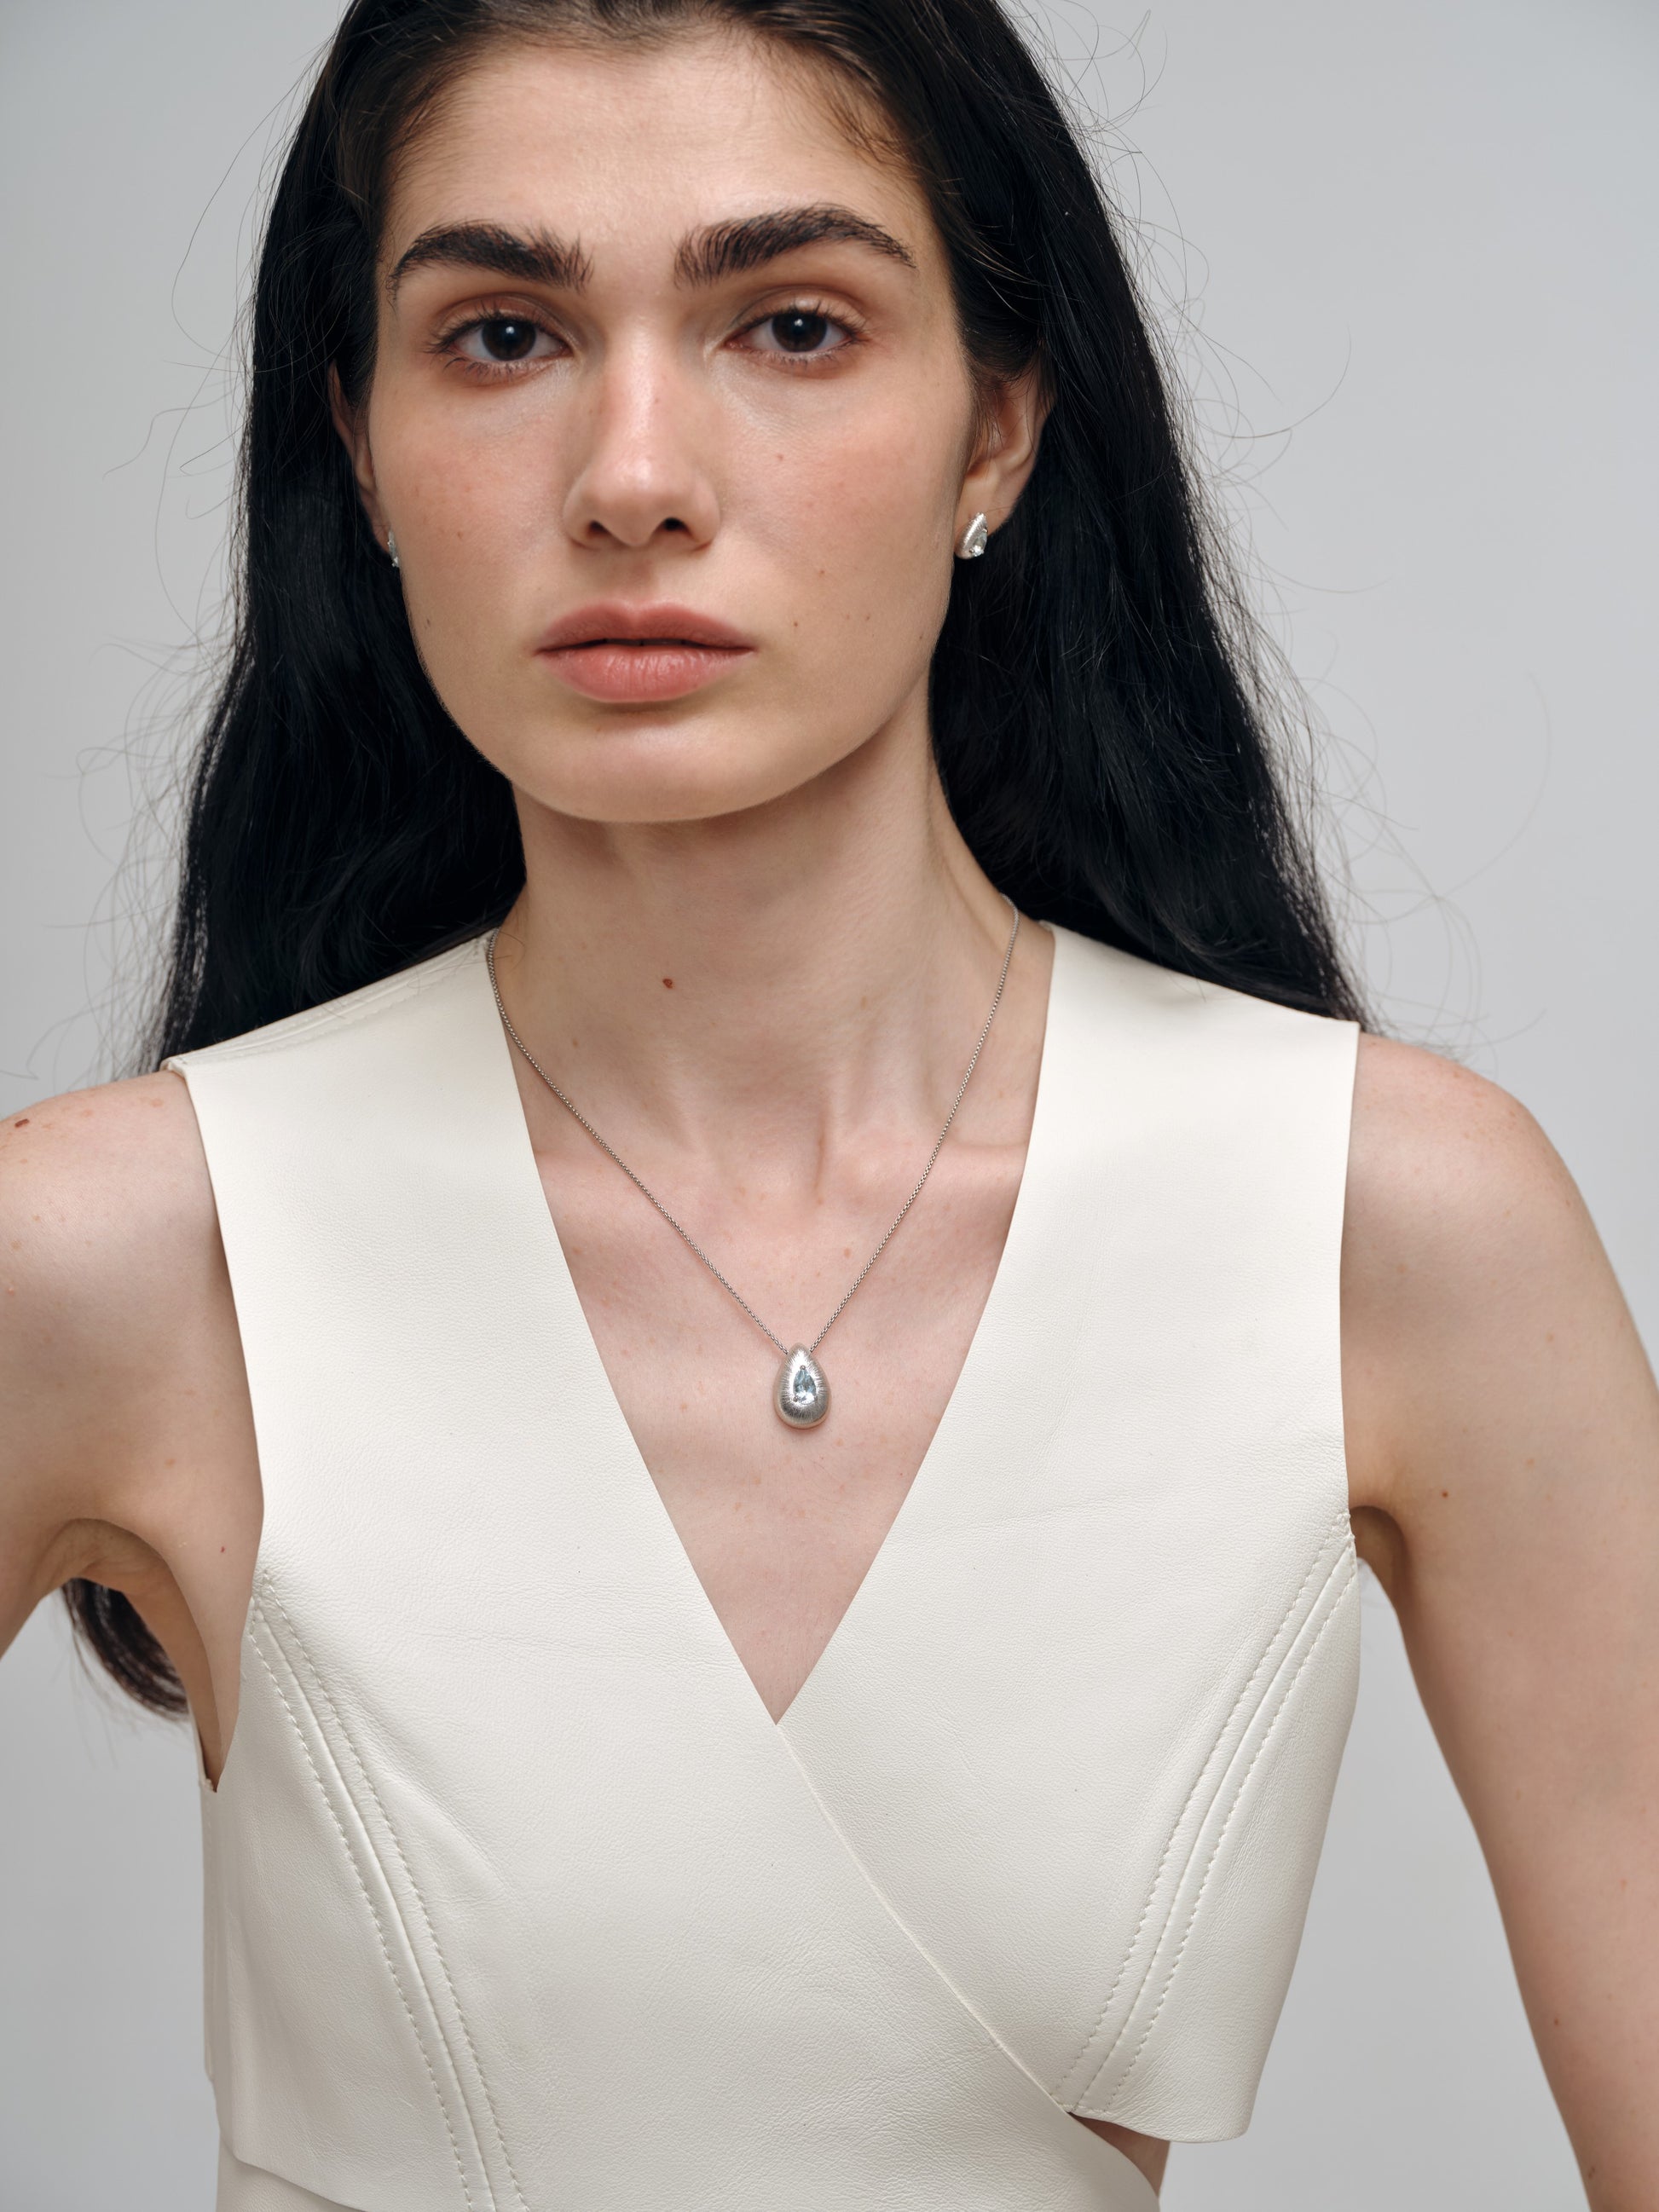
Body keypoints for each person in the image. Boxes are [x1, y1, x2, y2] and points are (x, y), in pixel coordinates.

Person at [3, 0, 1654, 2204]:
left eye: (788, 322)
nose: (632, 474)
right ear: (361, 443)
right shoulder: (119, 1247)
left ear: (1001, 420)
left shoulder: (1384, 1221)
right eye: (500, 335)